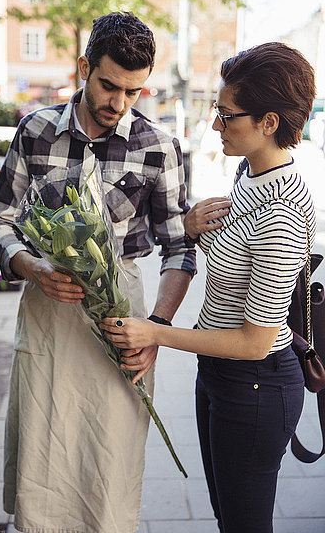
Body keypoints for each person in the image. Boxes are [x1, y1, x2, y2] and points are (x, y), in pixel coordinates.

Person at [0, 12, 196, 533]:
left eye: (133, 91)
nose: (118, 103)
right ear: (84, 68)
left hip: (121, 319)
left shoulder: (158, 147)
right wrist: (31, 266)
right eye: (108, 85)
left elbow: (179, 249)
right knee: (44, 451)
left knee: (109, 461)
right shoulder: (35, 130)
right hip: (47, 311)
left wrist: (154, 330)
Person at [101, 42, 317, 533]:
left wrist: (154, 332)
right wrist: (193, 226)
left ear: (269, 123)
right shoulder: (249, 174)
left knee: (243, 525)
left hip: (255, 384)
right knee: (228, 517)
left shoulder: (279, 215)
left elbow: (255, 339)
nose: (216, 125)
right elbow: (234, 253)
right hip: (221, 376)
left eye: (227, 115)